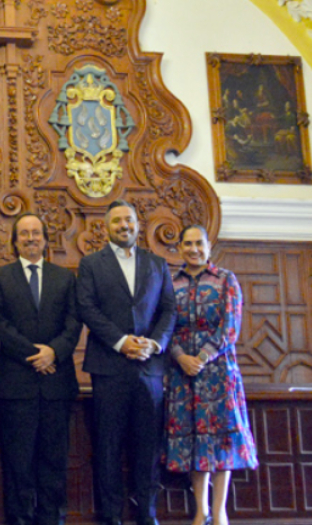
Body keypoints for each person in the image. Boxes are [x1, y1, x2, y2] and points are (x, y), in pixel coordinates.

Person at [76, 199, 176, 525]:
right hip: (109, 368)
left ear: (138, 224)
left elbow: (168, 310)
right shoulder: (91, 264)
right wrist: (121, 342)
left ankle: (147, 515)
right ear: (106, 227)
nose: (124, 226)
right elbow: (88, 309)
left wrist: (155, 343)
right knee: (107, 448)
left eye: (129, 220)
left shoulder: (157, 263)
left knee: (148, 449)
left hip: (149, 370)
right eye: (117, 221)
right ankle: (110, 518)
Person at [0, 213, 81, 525]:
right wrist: (34, 355)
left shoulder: (65, 278)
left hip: (57, 384)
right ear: (14, 241)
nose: (31, 238)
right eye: (24, 234)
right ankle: (20, 519)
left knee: (54, 459)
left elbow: (73, 323)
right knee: (18, 461)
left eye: (36, 233)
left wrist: (53, 352)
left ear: (44, 239)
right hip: (16, 385)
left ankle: (52, 518)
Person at [164, 225, 257, 525]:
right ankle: (200, 509)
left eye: (199, 243)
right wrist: (182, 358)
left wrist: (201, 358)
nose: (193, 249)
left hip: (218, 371)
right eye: (187, 243)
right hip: (182, 372)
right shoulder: (170, 283)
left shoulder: (226, 279)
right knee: (194, 439)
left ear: (209, 246)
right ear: (179, 248)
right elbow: (163, 326)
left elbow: (230, 327)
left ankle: (219, 511)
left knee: (220, 440)